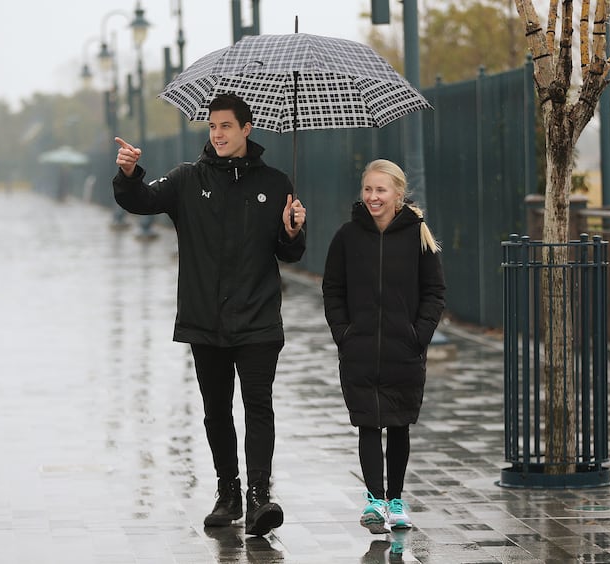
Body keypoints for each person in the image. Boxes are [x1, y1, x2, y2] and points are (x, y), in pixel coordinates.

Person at [112, 93, 306, 537]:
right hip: (205, 320)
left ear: (246, 129)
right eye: (212, 127)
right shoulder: (186, 179)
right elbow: (140, 199)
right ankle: (228, 492)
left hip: (258, 320)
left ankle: (259, 498)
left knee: (258, 407)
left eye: (225, 126)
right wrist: (127, 173)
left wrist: (294, 230)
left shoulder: (276, 183)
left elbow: (290, 251)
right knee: (216, 411)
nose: (217, 134)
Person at [321, 159, 445, 534]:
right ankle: (374, 501)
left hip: (402, 351)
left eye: (381, 190)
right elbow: (333, 289)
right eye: (368, 189)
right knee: (368, 425)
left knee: (399, 425)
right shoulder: (347, 236)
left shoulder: (417, 235)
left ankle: (396, 500)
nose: (373, 197)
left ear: (398, 194)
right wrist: (344, 333)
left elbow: (434, 292)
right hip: (359, 351)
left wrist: (418, 335)